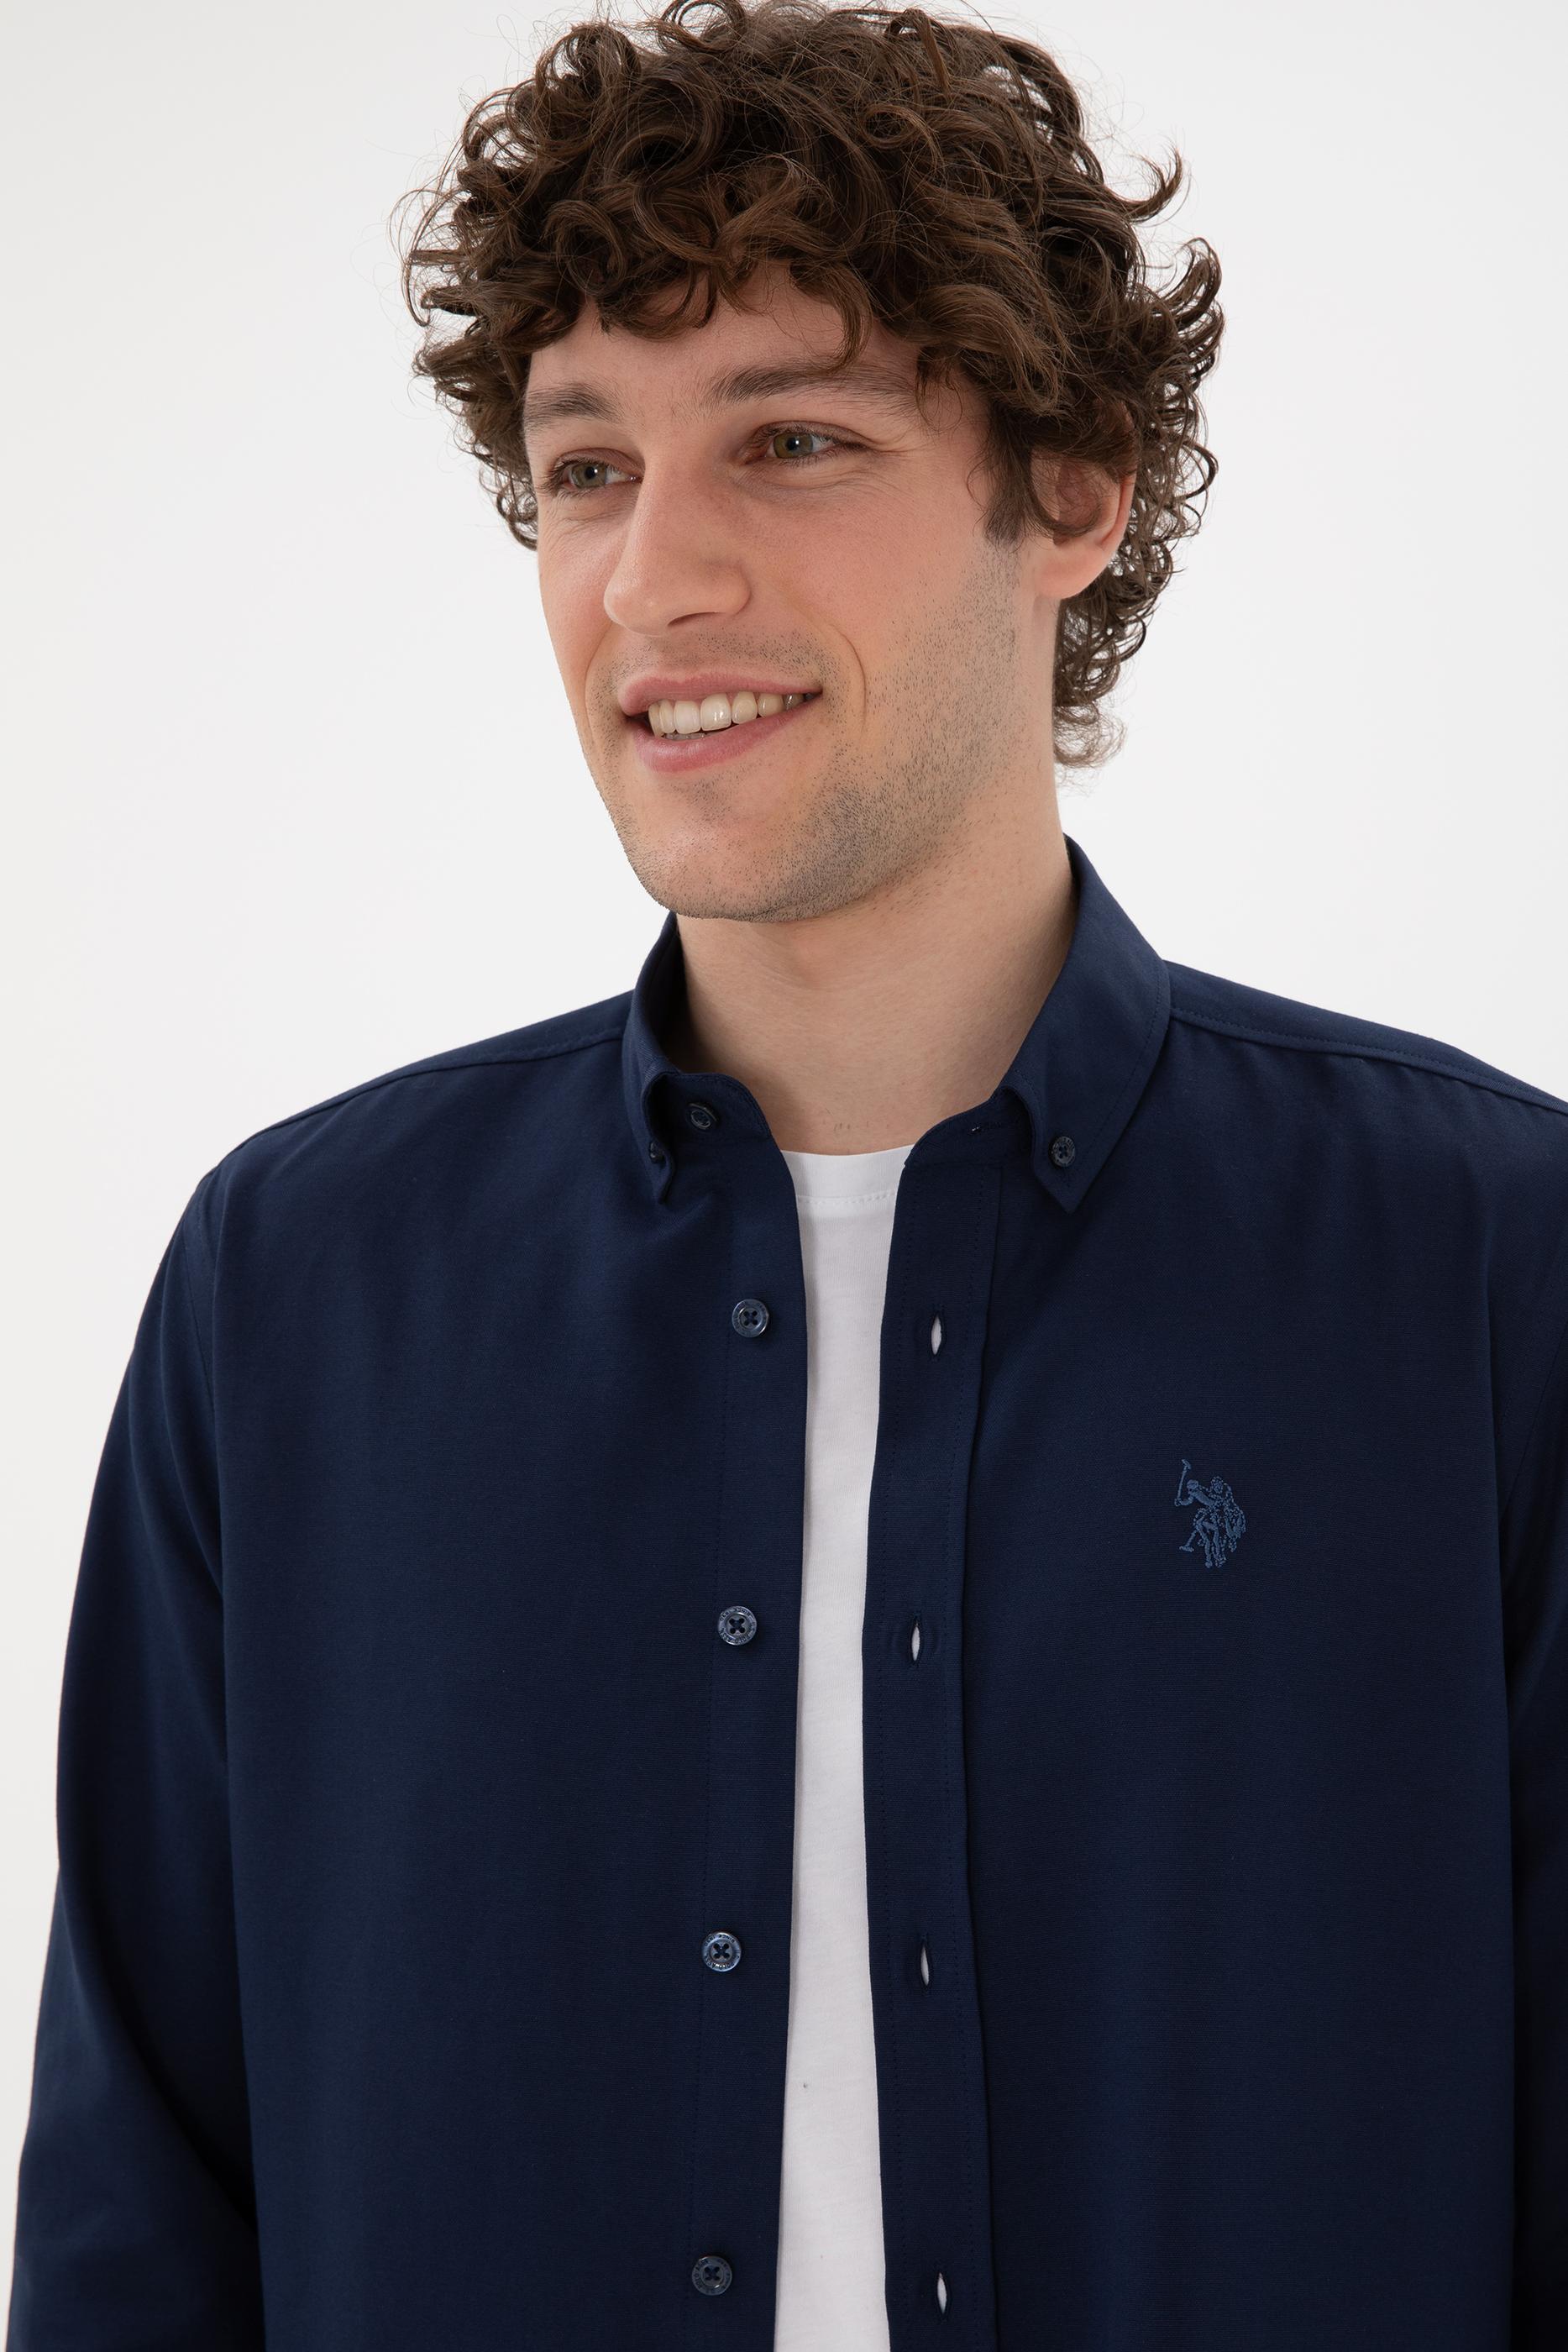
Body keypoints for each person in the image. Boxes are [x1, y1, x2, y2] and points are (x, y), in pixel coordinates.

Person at [8, 1, 1565, 2344]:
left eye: (792, 438)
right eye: (587, 467)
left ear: (1071, 489)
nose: (652, 578)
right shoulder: (298, 1289)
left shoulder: (1482, 1270)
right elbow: (141, 2209)